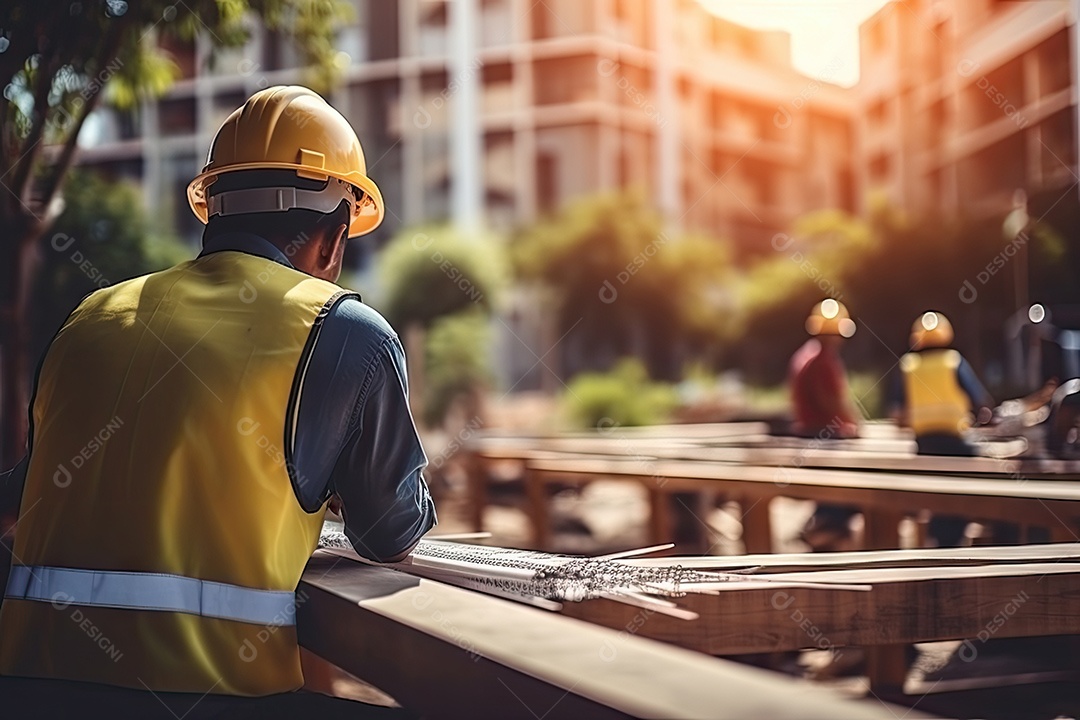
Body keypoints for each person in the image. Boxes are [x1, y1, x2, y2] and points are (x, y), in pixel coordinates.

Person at [0, 86, 435, 718]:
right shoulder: (342, 332)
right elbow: (389, 535)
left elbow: (28, 491)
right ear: (336, 238)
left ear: (213, 212)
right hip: (212, 696)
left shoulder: (89, 317)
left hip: (24, 691)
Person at [893, 311, 992, 546]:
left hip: (924, 445)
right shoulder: (953, 361)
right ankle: (963, 533)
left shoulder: (908, 365)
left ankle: (939, 535)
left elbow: (897, 412)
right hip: (956, 442)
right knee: (975, 477)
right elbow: (981, 402)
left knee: (936, 493)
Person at [789, 299, 862, 551]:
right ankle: (826, 528)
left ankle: (824, 526)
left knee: (838, 487)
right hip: (822, 437)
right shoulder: (822, 360)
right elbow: (831, 401)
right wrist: (855, 425)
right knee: (857, 482)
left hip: (809, 434)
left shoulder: (806, 355)